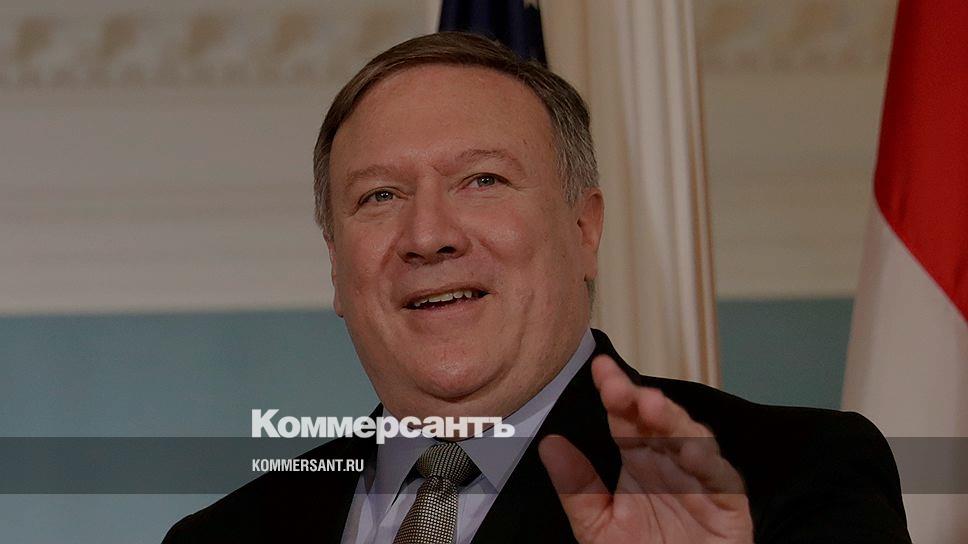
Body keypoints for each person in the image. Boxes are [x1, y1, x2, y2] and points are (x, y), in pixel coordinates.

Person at [163, 32, 911, 543]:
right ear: (335, 264)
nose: (429, 235)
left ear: (584, 229)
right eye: (380, 196)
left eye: (482, 180)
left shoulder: (791, 473)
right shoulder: (220, 538)